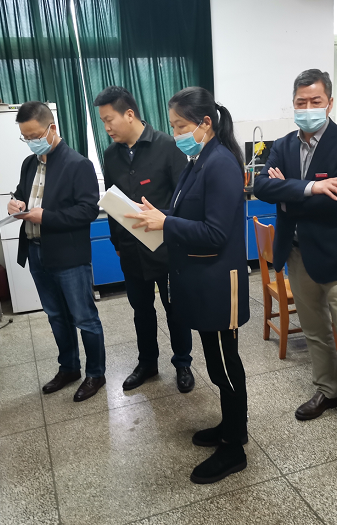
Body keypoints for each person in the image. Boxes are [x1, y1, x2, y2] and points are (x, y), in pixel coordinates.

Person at [126, 87, 250, 484]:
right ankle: (229, 426)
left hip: (220, 284)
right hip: (201, 280)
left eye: (180, 126)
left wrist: (166, 223)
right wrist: (159, 214)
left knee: (225, 364)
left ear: (205, 123)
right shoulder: (199, 161)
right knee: (215, 362)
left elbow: (215, 233)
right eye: (173, 126)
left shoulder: (221, 163)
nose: (176, 133)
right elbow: (189, 214)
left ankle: (235, 446)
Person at [253, 69, 337, 451]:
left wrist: (287, 193)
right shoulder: (283, 145)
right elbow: (261, 187)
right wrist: (310, 187)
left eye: (315, 101)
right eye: (300, 102)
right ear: (293, 104)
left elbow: (336, 200)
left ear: (329, 103)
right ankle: (328, 391)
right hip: (296, 254)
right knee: (314, 332)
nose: (307, 108)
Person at [93, 86, 194, 393]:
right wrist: (116, 244)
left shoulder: (168, 146)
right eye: (102, 122)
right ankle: (147, 362)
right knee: (141, 310)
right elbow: (113, 202)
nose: (106, 127)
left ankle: (183, 363)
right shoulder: (110, 155)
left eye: (109, 120)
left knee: (175, 309)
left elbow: (184, 200)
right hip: (130, 250)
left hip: (166, 248)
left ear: (129, 114)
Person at [9, 101, 107, 402]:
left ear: (52, 128)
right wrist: (16, 203)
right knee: (55, 315)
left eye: (35, 136)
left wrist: (47, 217)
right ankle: (69, 368)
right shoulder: (29, 164)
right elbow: (22, 194)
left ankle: (96, 374)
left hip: (69, 257)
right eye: (25, 137)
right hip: (36, 252)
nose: (31, 142)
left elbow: (88, 211)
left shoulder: (78, 164)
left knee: (84, 317)